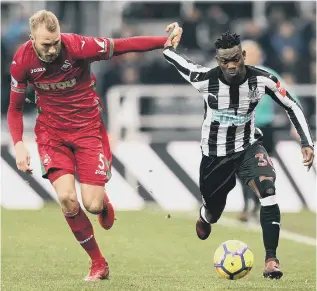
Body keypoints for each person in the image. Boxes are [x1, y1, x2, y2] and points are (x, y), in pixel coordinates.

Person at [7, 10, 180, 281]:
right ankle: (98, 262)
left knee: (92, 204)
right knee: (66, 198)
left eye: (55, 42)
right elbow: (15, 109)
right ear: (31, 39)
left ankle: (102, 204)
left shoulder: (77, 46)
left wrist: (164, 41)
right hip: (52, 135)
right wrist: (18, 144)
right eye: (45, 44)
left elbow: (122, 46)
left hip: (88, 131)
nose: (53, 49)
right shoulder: (21, 61)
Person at [163, 29, 314, 279]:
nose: (231, 66)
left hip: (247, 147)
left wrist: (306, 141)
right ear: (217, 61)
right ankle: (205, 215)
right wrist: (168, 43)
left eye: (235, 59)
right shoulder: (204, 79)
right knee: (213, 212)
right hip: (215, 156)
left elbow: (292, 105)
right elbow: (176, 58)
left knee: (268, 190)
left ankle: (271, 260)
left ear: (243, 55)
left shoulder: (262, 80)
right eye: (225, 61)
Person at [237, 40, 301, 223]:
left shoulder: (268, 75)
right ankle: (248, 204)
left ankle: (257, 206)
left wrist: (295, 125)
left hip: (264, 129)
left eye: (252, 52)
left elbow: (290, 99)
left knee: (262, 171)